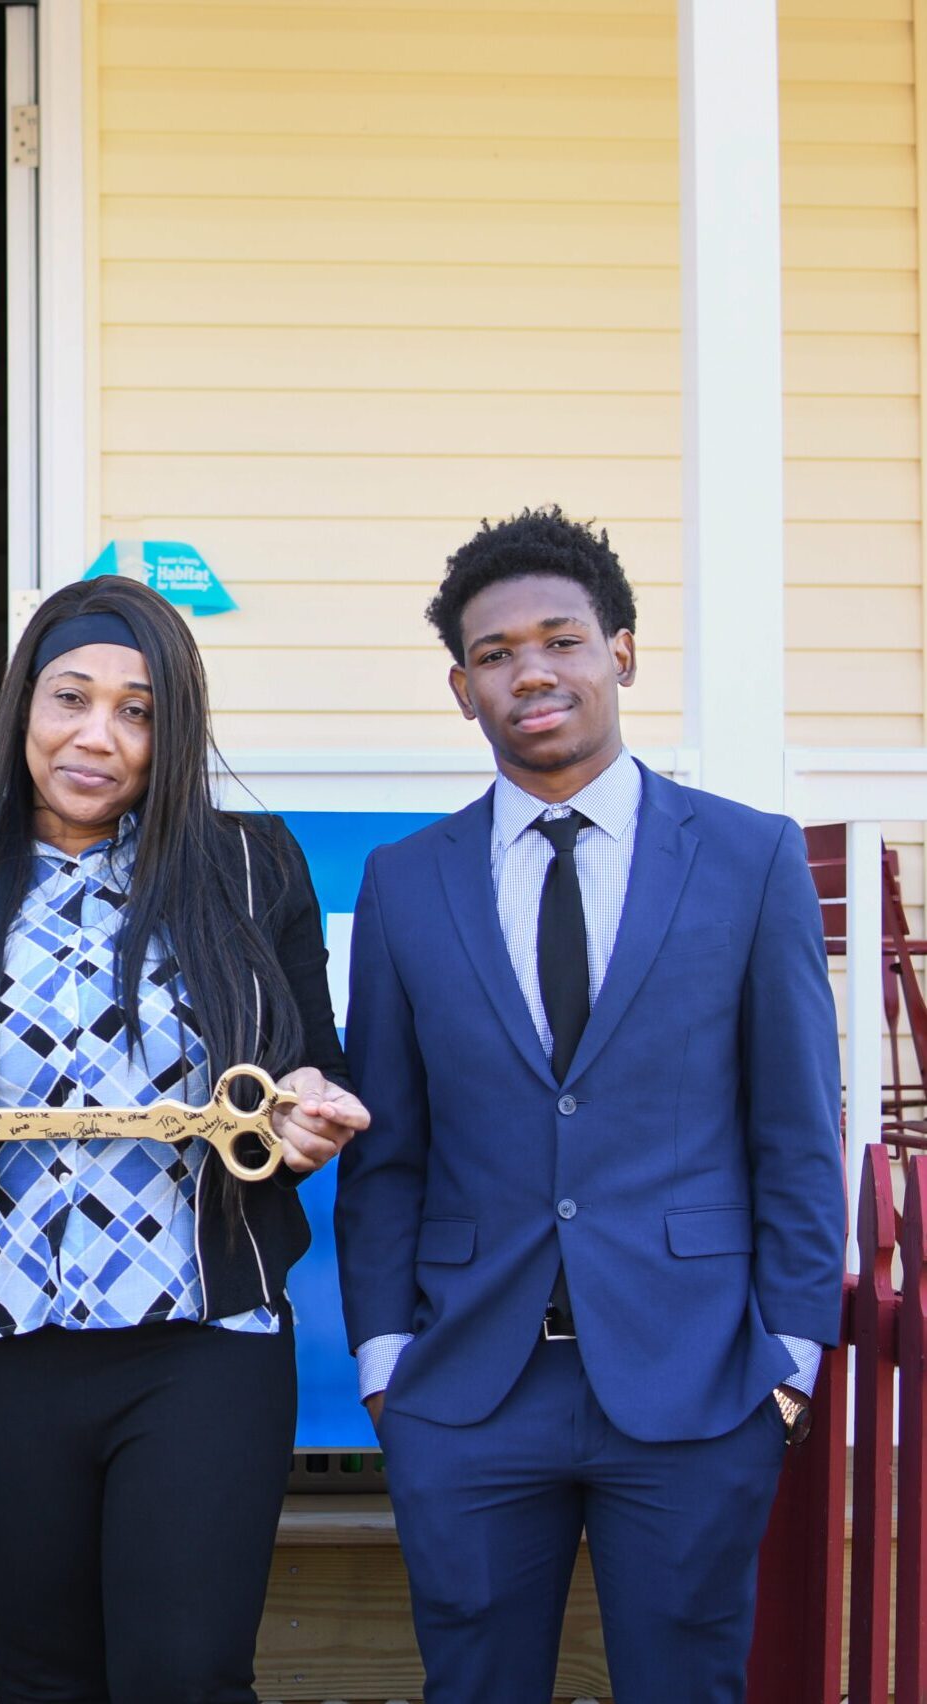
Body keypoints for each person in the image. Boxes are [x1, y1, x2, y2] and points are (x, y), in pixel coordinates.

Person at [334, 507, 846, 1704]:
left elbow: (795, 1131)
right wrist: (384, 1363)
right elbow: (390, 1149)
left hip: (701, 1378)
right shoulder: (406, 885)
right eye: (497, 653)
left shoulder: (749, 858)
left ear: (621, 649)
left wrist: (793, 1357)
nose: (533, 671)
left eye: (560, 639)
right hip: (468, 1391)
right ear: (463, 690)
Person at [0, 574, 370, 1704]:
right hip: (1, 1352)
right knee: (43, 1680)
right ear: (21, 710)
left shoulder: (249, 866)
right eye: (70, 698)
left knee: (183, 1676)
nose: (99, 736)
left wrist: (309, 1114)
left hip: (203, 1341)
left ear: (172, 730)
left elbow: (310, 1064)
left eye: (138, 711)